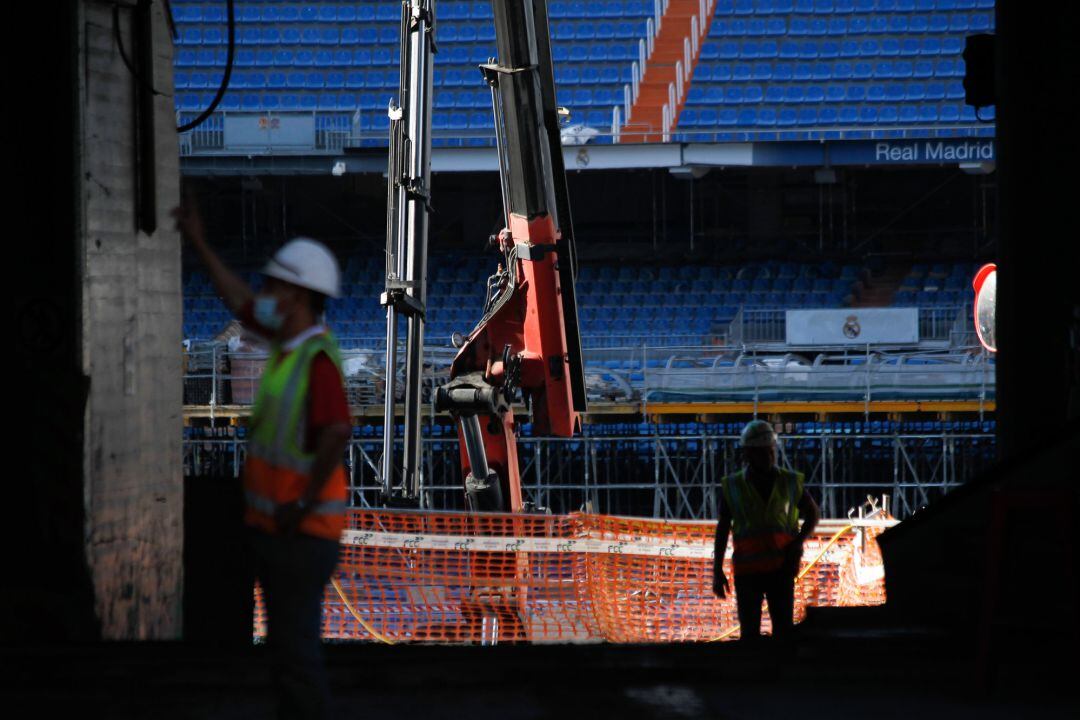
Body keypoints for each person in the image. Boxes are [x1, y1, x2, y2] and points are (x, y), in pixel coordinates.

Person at [173, 201, 352, 719]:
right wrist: (199, 242)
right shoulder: (290, 345)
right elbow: (239, 301)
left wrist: (299, 505)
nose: (266, 294)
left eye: (275, 286)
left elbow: (337, 432)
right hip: (282, 530)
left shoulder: (315, 360)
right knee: (285, 651)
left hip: (303, 533)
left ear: (297, 295)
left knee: (296, 655)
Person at [713, 420, 820, 642]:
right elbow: (723, 528)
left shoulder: (789, 482)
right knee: (750, 634)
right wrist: (717, 570)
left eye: (771, 451)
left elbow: (812, 513)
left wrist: (799, 542)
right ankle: (756, 673)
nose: (769, 456)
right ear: (748, 454)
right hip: (747, 572)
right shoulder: (733, 486)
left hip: (781, 568)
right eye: (762, 452)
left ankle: (778, 673)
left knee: (783, 632)